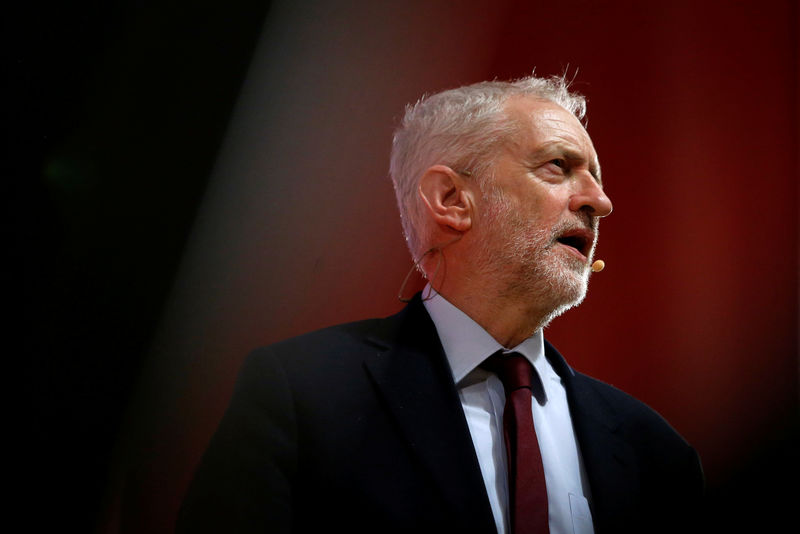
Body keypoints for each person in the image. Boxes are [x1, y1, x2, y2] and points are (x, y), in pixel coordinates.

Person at [177, 75, 704, 534]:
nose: (600, 202)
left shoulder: (654, 450)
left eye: (597, 177)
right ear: (452, 200)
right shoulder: (302, 395)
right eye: (558, 166)